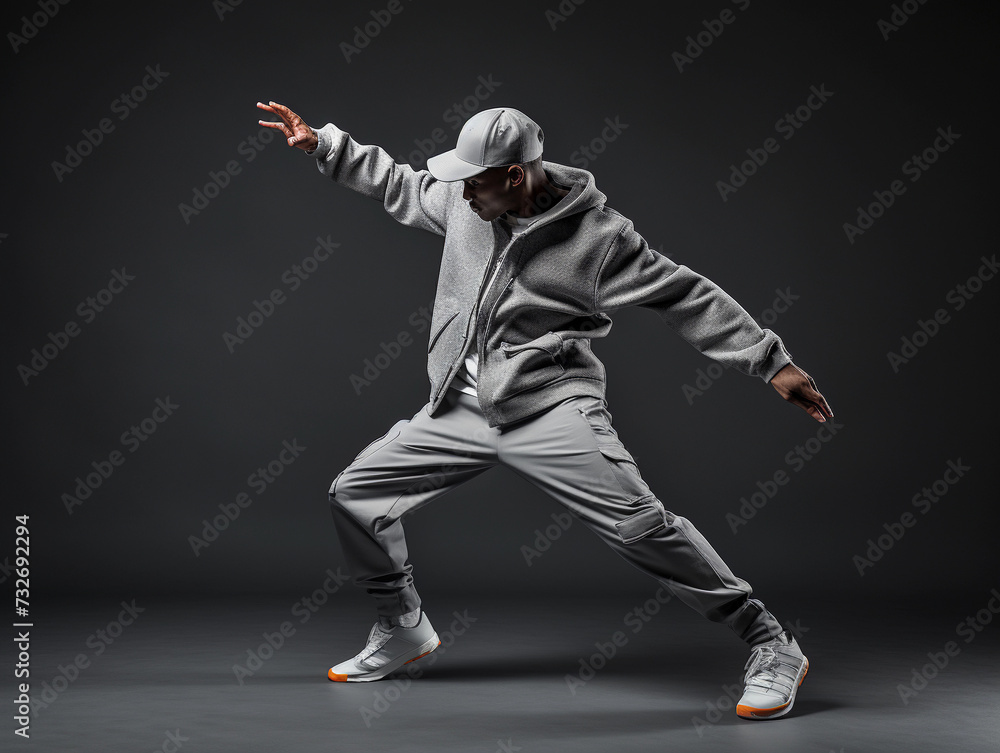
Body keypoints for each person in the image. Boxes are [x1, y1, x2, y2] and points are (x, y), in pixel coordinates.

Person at [257, 101, 833, 720]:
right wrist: (324, 145)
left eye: (474, 180)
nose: (460, 191)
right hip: (461, 408)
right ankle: (403, 627)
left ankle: (771, 644)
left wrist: (770, 361)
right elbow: (399, 184)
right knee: (356, 494)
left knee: (643, 526)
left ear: (513, 175)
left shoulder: (601, 240)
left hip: (550, 406)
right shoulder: (462, 200)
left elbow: (684, 293)